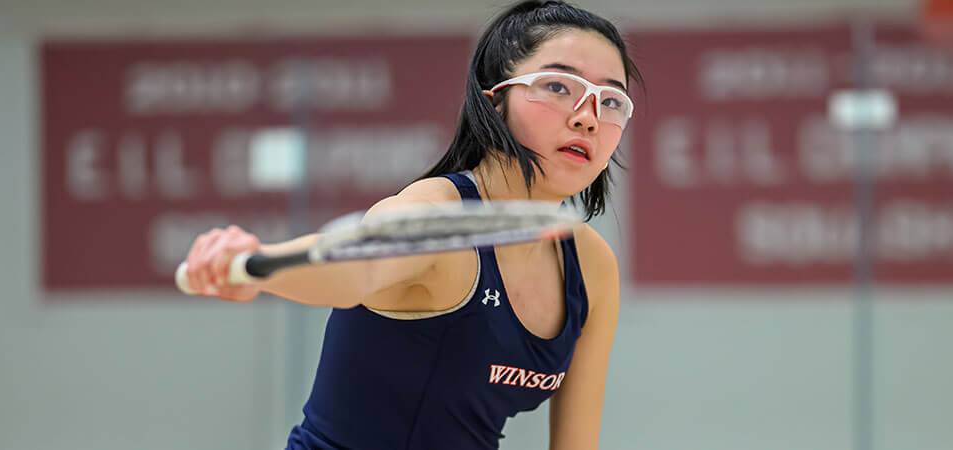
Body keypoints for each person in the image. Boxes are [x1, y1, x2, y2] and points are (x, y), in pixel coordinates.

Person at [182, 1, 641, 448]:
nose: (588, 117)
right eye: (559, 86)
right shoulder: (435, 213)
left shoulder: (591, 265)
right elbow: (354, 271)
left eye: (610, 100)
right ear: (496, 101)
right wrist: (263, 266)